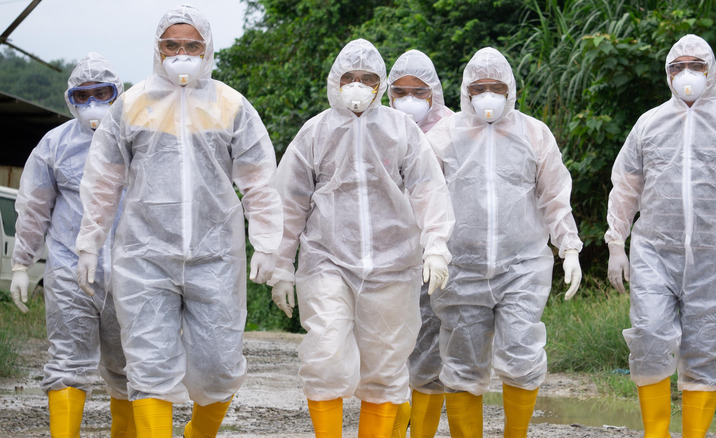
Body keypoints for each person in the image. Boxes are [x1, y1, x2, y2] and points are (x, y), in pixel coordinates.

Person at [75, 6, 283, 437]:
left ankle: (198, 432)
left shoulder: (231, 105)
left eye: (192, 45)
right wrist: (89, 242)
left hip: (216, 256)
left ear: (207, 50)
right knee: (148, 365)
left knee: (219, 366)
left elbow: (259, 177)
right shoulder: (132, 105)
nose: (181, 53)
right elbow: (103, 179)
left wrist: (267, 243)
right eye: (172, 44)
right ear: (157, 48)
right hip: (144, 256)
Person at [269, 38, 454, 437]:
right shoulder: (315, 131)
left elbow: (428, 188)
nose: (357, 85)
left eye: (367, 78)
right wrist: (280, 263)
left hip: (393, 263)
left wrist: (436, 244)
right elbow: (290, 200)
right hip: (327, 261)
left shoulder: (400, 129)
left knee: (386, 367)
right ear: (336, 80)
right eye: (349, 77)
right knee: (325, 354)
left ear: (379, 83)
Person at [605, 34, 716, 438]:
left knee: (706, 347)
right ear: (667, 75)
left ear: (711, 71)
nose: (686, 74)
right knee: (648, 336)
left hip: (715, 255)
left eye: (695, 66)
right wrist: (616, 242)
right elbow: (625, 187)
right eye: (676, 67)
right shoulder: (649, 124)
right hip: (653, 252)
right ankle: (655, 433)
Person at [425, 47, 583, 438]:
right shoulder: (443, 137)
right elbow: (425, 196)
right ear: (466, 91)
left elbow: (554, 196)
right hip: (460, 268)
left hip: (522, 266)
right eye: (479, 87)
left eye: (496, 86)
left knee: (522, 354)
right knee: (462, 366)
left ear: (511, 89)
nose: (488, 95)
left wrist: (569, 246)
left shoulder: (534, 134)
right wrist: (432, 247)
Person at [9, 52, 134, 438]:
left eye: (103, 93)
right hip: (68, 268)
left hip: (133, 271)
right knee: (66, 363)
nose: (94, 103)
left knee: (131, 367)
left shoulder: (141, 138)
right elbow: (33, 206)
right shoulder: (55, 144)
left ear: (120, 94)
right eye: (84, 95)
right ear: (70, 99)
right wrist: (21, 264)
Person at [385, 49, 454, 438]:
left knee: (429, 347)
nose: (409, 99)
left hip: (436, 254)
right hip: (387, 254)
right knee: (389, 348)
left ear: (435, 93)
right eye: (401, 91)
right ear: (388, 93)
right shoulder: (378, 128)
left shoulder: (455, 130)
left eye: (419, 91)